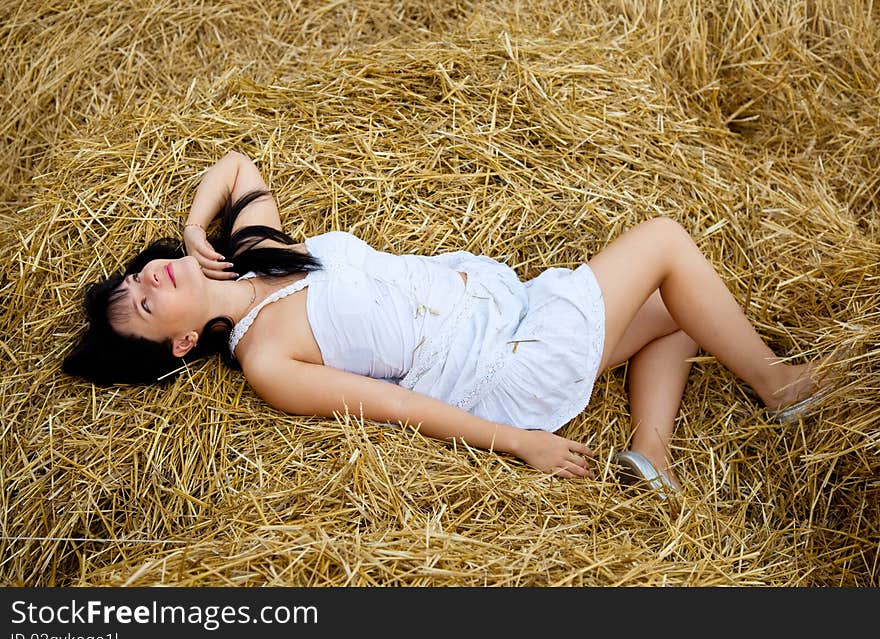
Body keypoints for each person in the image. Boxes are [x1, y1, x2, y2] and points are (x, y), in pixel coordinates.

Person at [63, 151, 835, 496]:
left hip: (509, 308)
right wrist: (522, 443)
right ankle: (780, 384)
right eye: (140, 305)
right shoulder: (267, 355)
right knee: (665, 240)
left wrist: (198, 228)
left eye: (133, 276)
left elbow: (237, 164)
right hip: (499, 362)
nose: (144, 280)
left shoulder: (257, 255)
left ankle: (652, 452)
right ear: (181, 342)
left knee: (678, 310)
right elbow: (396, 408)